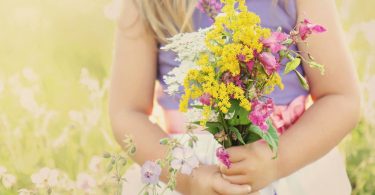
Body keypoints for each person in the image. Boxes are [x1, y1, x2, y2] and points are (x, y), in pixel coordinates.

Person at [109, 0, 360, 194]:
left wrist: (276, 163)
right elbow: (127, 112)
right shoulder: (148, 5)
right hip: (190, 168)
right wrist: (191, 180)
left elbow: (340, 98)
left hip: (286, 161)